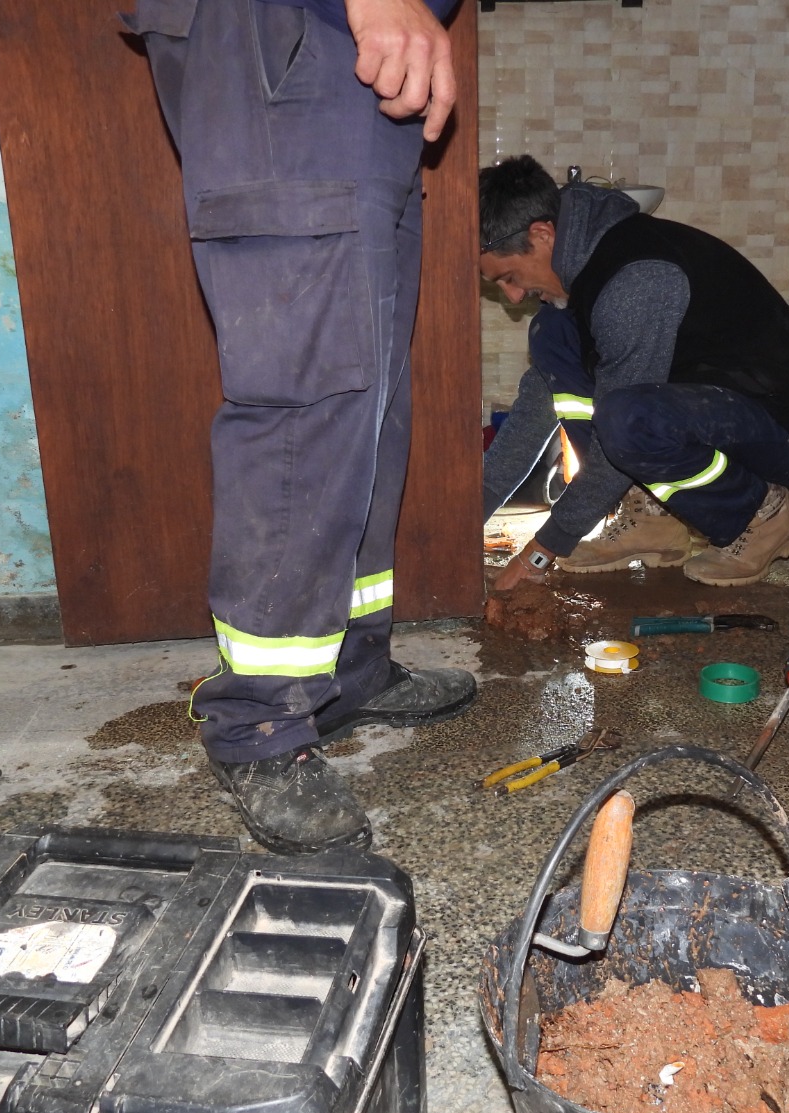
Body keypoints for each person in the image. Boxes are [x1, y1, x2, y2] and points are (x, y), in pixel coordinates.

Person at [124, 0, 475, 854]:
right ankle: (259, 719)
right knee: (308, 390)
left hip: (339, 59)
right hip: (285, 32)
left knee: (370, 403)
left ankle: (349, 671)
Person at [480, 156, 789, 591]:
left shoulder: (634, 282)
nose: (513, 295)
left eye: (510, 276)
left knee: (627, 422)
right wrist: (458, 524)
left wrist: (542, 550)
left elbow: (618, 435)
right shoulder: (578, 285)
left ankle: (760, 513)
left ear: (542, 235)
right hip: (706, 407)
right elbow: (531, 418)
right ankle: (651, 518)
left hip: (782, 426)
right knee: (552, 335)